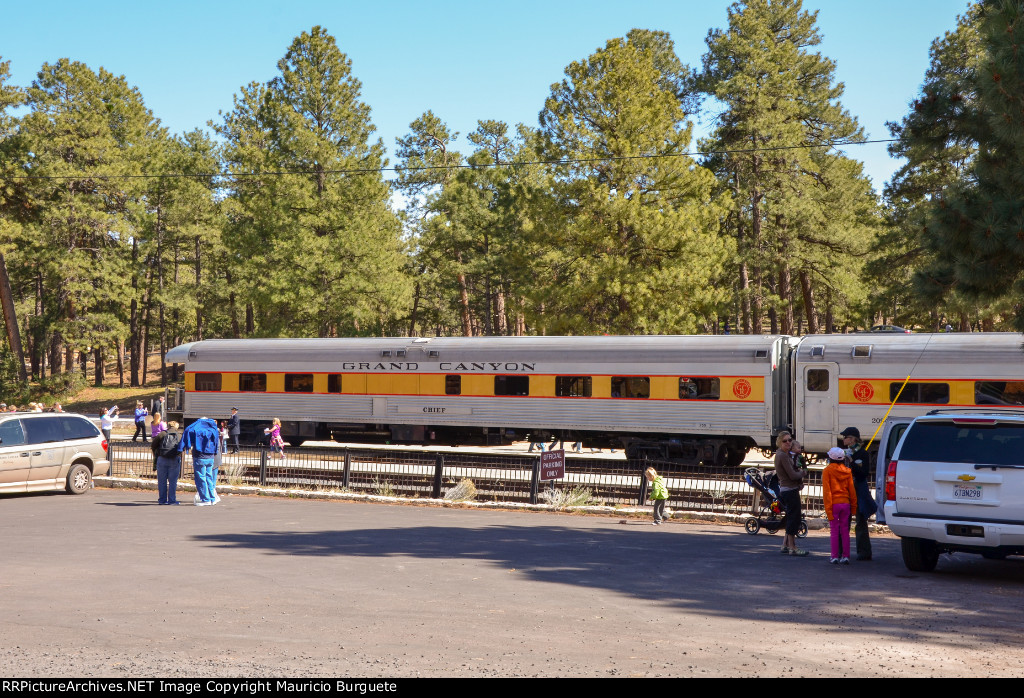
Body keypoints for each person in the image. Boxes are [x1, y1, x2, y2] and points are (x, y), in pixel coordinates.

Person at [841, 426, 877, 561]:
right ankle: (842, 551)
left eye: (846, 437)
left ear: (852, 439)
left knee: (860, 520)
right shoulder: (843, 453)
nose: (843, 439)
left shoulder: (861, 453)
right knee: (844, 520)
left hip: (858, 489)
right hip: (846, 488)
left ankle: (864, 552)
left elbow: (864, 473)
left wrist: (852, 463)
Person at [774, 430, 808, 556]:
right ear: (779, 442)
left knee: (790, 517)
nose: (788, 442)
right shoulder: (782, 455)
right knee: (794, 518)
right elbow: (792, 475)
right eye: (785, 441)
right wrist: (803, 473)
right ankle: (792, 547)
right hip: (789, 489)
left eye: (790, 440)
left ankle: (785, 544)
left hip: (788, 488)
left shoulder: (783, 454)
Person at [823, 446, 857, 564]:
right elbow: (852, 491)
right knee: (845, 531)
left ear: (830, 458)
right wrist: (853, 507)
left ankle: (834, 556)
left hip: (834, 504)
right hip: (846, 503)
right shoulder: (848, 471)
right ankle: (846, 556)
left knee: (834, 531)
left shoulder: (827, 471)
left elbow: (827, 492)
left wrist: (828, 510)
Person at [179, 417, 221, 506]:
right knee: (209, 477)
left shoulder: (197, 428)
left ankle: (205, 499)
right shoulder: (213, 429)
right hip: (211, 457)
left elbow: (187, 431)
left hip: (200, 457)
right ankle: (212, 498)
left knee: (201, 478)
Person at [152, 421, 182, 505]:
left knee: (162, 481)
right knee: (173, 481)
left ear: (168, 426)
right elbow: (183, 447)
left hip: (162, 459)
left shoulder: (162, 434)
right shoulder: (179, 435)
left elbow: (153, 445)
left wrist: (156, 453)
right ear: (176, 427)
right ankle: (172, 500)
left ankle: (162, 500)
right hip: (174, 459)